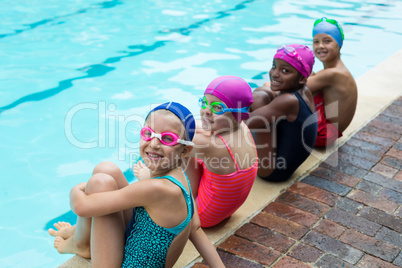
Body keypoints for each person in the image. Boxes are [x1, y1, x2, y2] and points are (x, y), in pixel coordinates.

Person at [48, 102, 225, 268]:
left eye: (167, 139)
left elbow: (81, 207)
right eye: (148, 134)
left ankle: (80, 243)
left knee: (99, 183)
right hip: (134, 240)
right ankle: (81, 238)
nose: (154, 144)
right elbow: (195, 229)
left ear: (185, 150)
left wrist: (76, 189)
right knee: (106, 169)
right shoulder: (182, 178)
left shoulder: (158, 189)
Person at [135, 76, 258, 228]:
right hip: (226, 208)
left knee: (177, 150)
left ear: (236, 114)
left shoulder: (211, 146)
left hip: (203, 214)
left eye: (217, 107)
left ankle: (155, 181)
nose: (206, 111)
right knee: (186, 145)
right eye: (205, 102)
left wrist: (150, 174)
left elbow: (175, 138)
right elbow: (192, 128)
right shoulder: (240, 126)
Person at [247, 44, 318, 182]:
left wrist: (222, 113)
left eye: (285, 70)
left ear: (302, 78)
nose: (274, 73)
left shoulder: (288, 100)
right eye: (274, 66)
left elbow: (246, 123)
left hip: (273, 171)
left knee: (258, 98)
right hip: (286, 165)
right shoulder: (304, 90)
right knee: (263, 91)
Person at [307, 17, 358, 147]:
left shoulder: (333, 74)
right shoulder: (335, 71)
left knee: (290, 92)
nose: (321, 46)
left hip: (323, 135)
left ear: (338, 44)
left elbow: (291, 89)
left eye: (327, 41)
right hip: (329, 134)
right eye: (316, 42)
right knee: (307, 77)